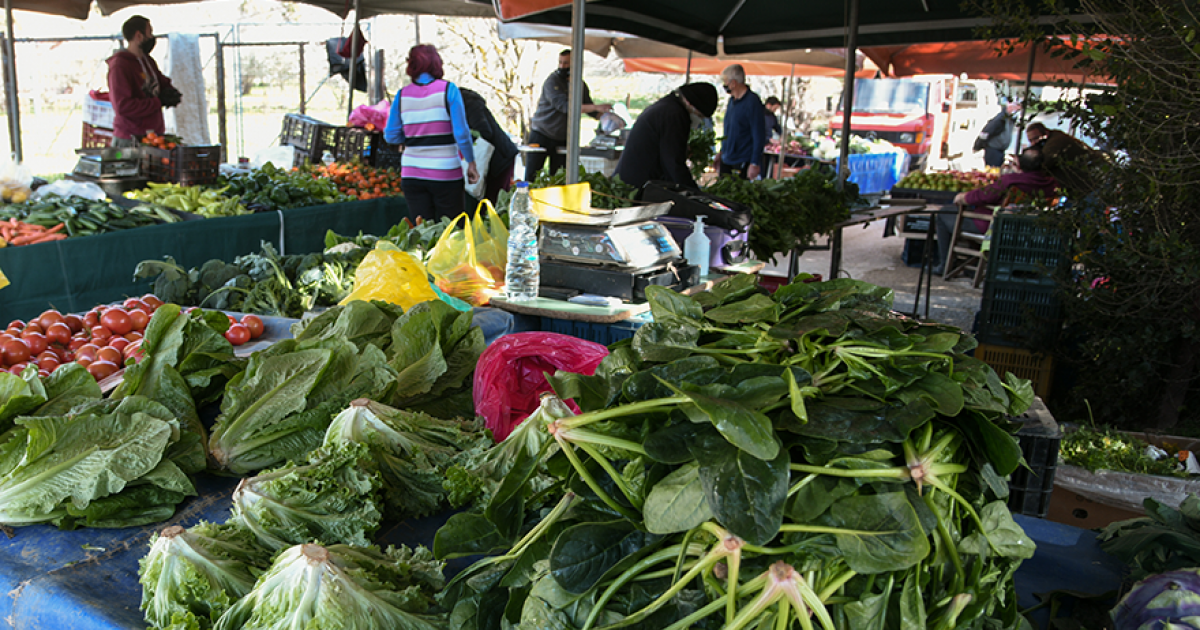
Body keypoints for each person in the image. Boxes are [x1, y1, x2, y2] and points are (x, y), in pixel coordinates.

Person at [384, 44, 479, 221]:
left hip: (412, 173)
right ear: (437, 63)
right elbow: (461, 133)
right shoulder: (449, 90)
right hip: (446, 173)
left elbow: (391, 136)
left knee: (422, 230)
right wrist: (471, 163)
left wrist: (413, 137)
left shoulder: (402, 95)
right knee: (452, 228)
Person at [932, 147, 1058, 276]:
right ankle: (971, 266)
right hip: (1028, 231)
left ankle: (946, 265)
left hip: (994, 228)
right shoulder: (1051, 184)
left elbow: (984, 196)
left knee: (944, 213)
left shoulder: (1011, 181)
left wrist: (963, 197)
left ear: (1019, 165)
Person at [613, 83, 718, 190]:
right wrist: (694, 192)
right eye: (699, 115)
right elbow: (674, 163)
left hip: (633, 178)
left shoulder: (668, 106)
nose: (699, 120)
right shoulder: (674, 114)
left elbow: (667, 149)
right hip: (637, 183)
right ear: (690, 103)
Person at [525, 49, 612, 177]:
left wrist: (606, 117)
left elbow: (589, 108)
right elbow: (565, 107)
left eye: (566, 63)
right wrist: (596, 107)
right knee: (532, 175)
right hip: (542, 134)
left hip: (563, 137)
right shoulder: (552, 82)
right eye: (560, 62)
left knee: (560, 177)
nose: (562, 66)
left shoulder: (580, 85)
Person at [106, 15, 180, 147]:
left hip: (153, 135)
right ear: (139, 36)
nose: (152, 38)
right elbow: (123, 106)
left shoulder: (148, 61)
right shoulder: (120, 66)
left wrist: (170, 92)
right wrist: (157, 102)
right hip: (130, 138)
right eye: (150, 33)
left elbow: (159, 82)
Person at [460, 87, 519, 205]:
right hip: (488, 158)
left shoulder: (470, 103)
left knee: (493, 203)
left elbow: (484, 131)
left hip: (500, 157)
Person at [714, 64, 766, 180]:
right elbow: (728, 131)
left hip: (742, 160)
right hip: (727, 158)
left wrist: (754, 163)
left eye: (726, 82)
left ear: (733, 83)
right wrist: (721, 152)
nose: (724, 85)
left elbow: (758, 134)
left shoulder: (752, 102)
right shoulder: (731, 101)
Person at [1025, 122, 1102, 199]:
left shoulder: (1056, 142)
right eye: (1031, 140)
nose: (1033, 143)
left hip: (1091, 185)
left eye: (1036, 138)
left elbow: (1043, 164)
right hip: (1082, 186)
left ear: (1046, 133)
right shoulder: (1054, 139)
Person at [973, 100, 1022, 168]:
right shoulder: (1000, 119)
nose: (1017, 111)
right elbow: (986, 132)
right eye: (1016, 108)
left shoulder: (1009, 119)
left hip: (1000, 151)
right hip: (993, 151)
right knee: (993, 170)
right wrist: (977, 146)